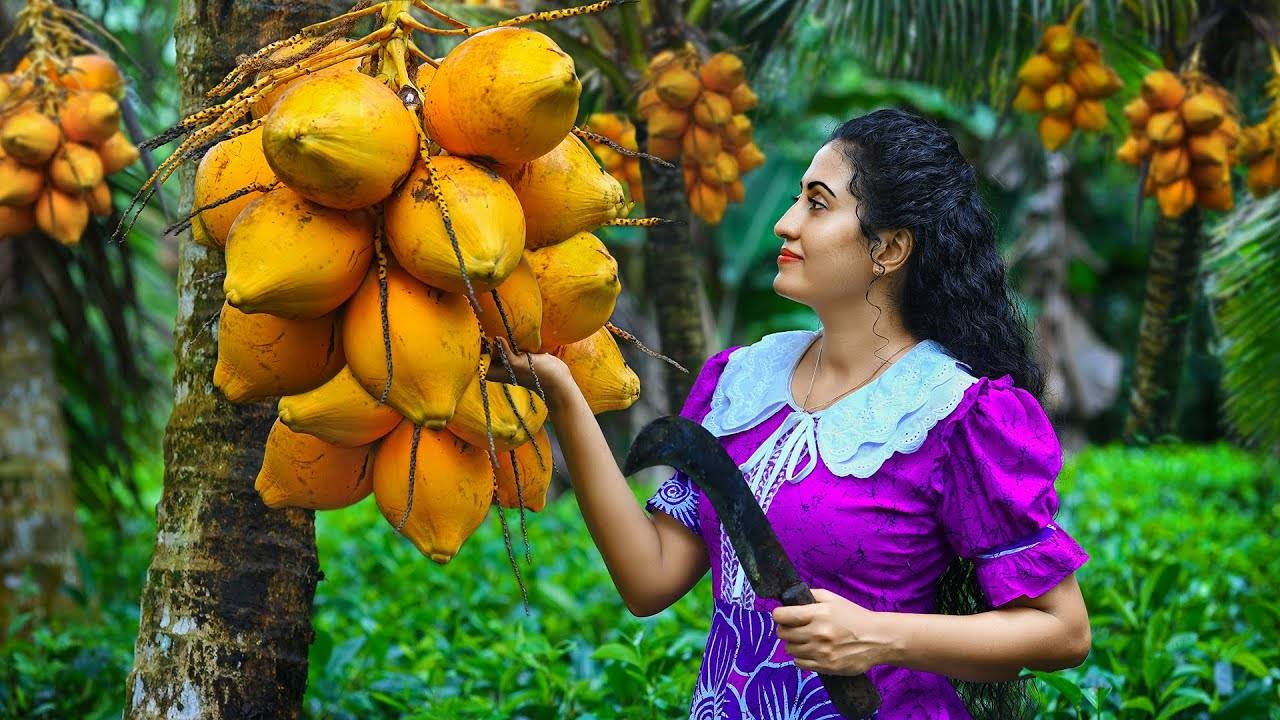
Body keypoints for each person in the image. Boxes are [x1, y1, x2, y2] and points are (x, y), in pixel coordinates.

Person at [488, 107, 1091, 719]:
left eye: (817, 203)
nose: (783, 223)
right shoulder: (742, 383)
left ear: (890, 247)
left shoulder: (954, 414)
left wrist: (878, 636)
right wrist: (562, 394)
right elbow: (650, 579)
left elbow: (1062, 631)